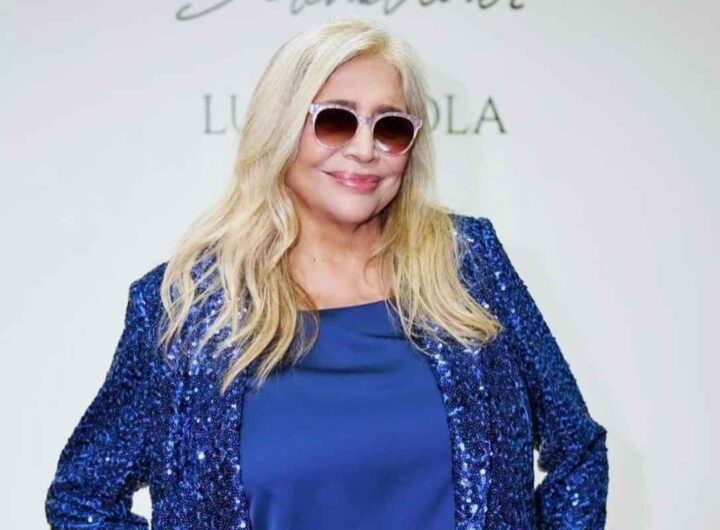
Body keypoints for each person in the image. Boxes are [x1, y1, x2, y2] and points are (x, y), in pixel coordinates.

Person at [45, 17, 609, 530]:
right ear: (281, 129)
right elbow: (82, 498)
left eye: (390, 128)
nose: (365, 149)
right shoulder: (188, 305)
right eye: (336, 121)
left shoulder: (468, 264)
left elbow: (577, 451)